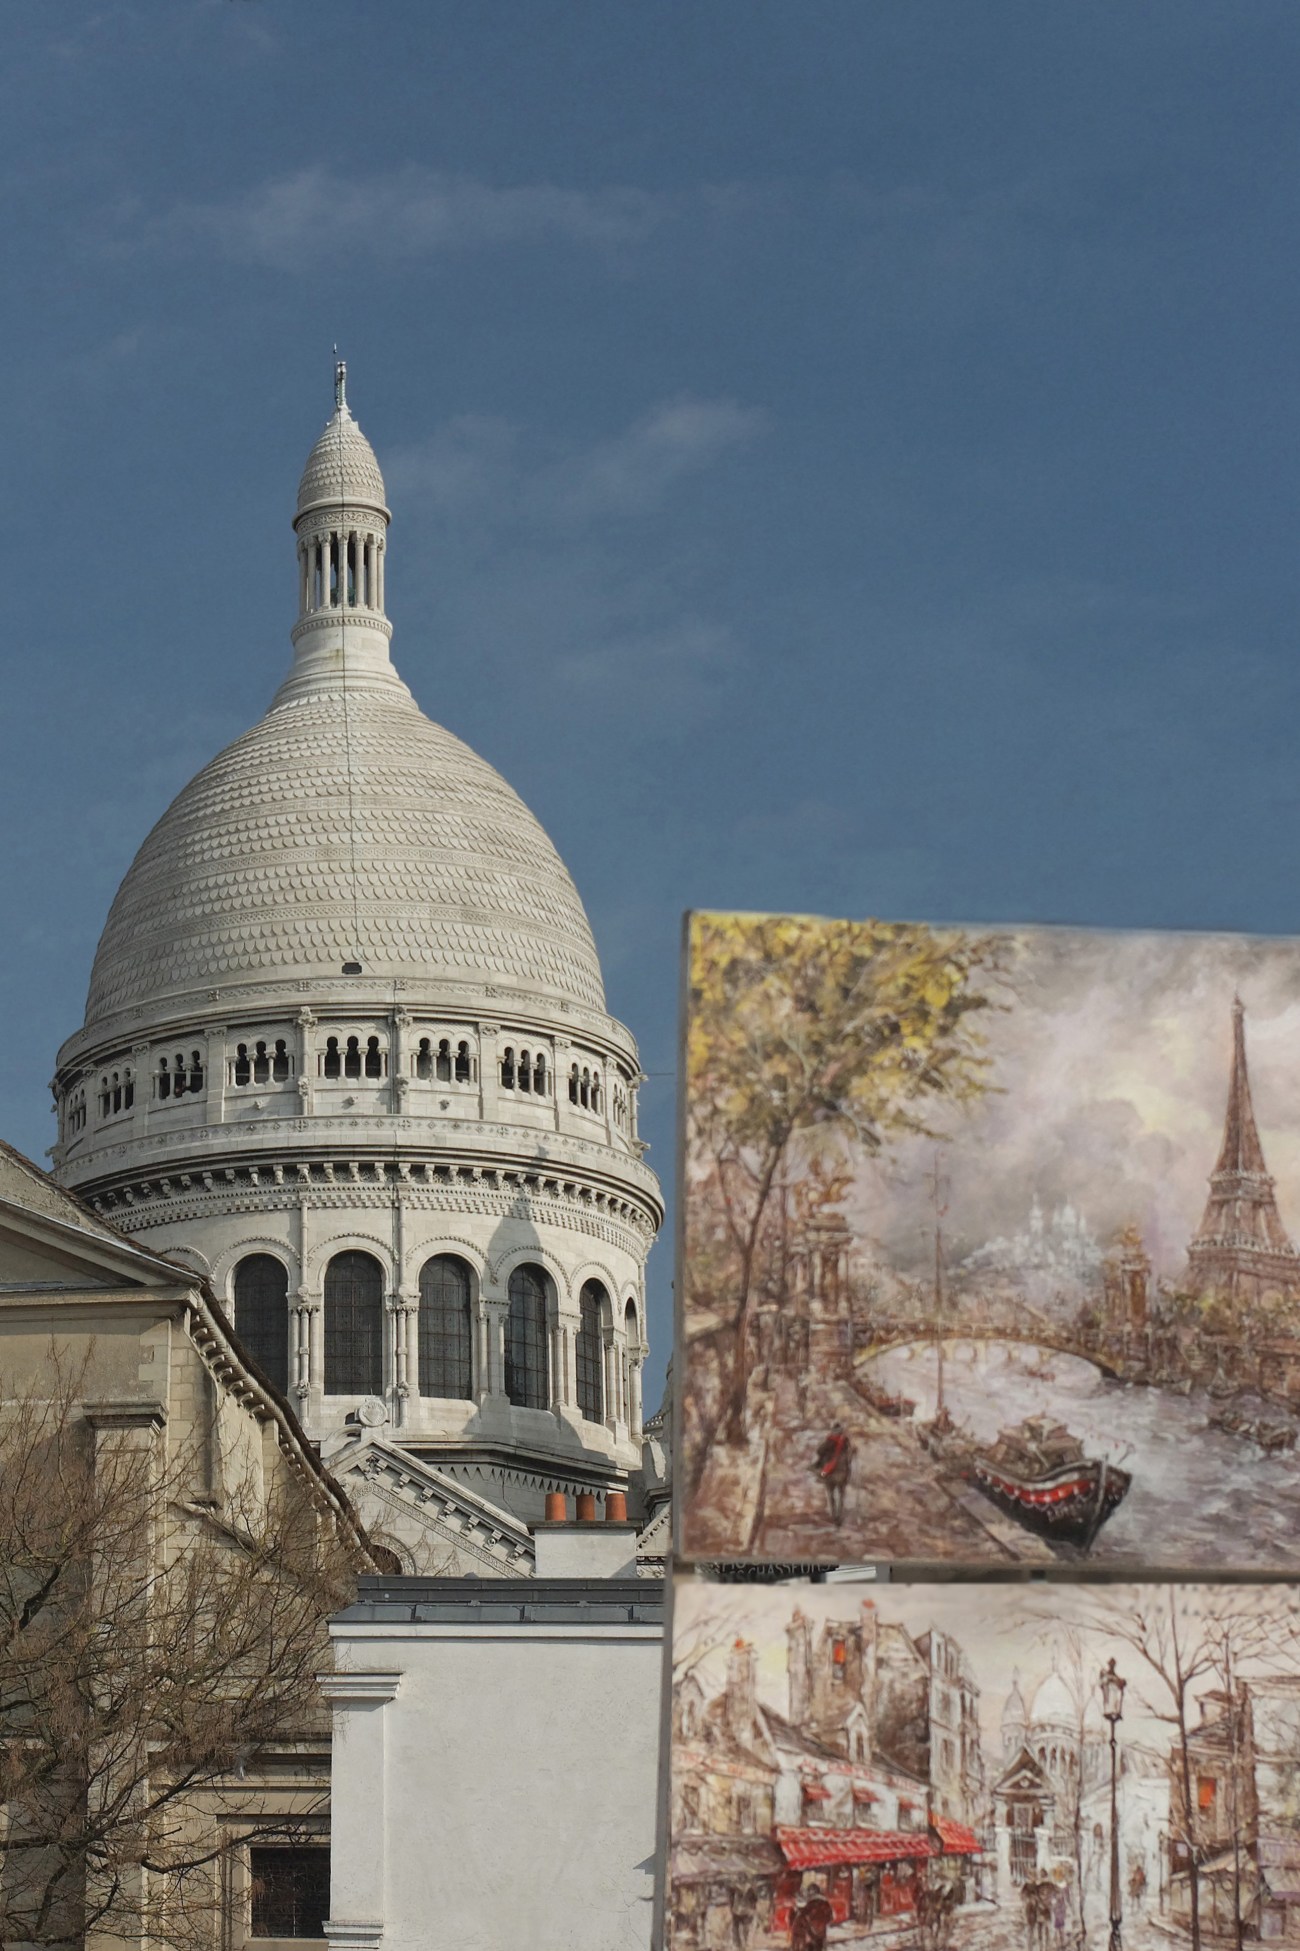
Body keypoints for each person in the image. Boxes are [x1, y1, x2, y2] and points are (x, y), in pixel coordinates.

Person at [814, 1423, 852, 1526]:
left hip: (830, 1473)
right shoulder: (845, 1442)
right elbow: (850, 1456)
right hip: (842, 1473)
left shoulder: (829, 1441)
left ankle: (834, 1515)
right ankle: (839, 1515)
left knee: (831, 1495)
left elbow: (819, 1451)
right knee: (841, 1495)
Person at [791, 1883, 834, 1951]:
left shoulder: (809, 1905)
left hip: (810, 1933)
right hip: (821, 1933)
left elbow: (804, 1918)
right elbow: (830, 1918)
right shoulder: (826, 1903)